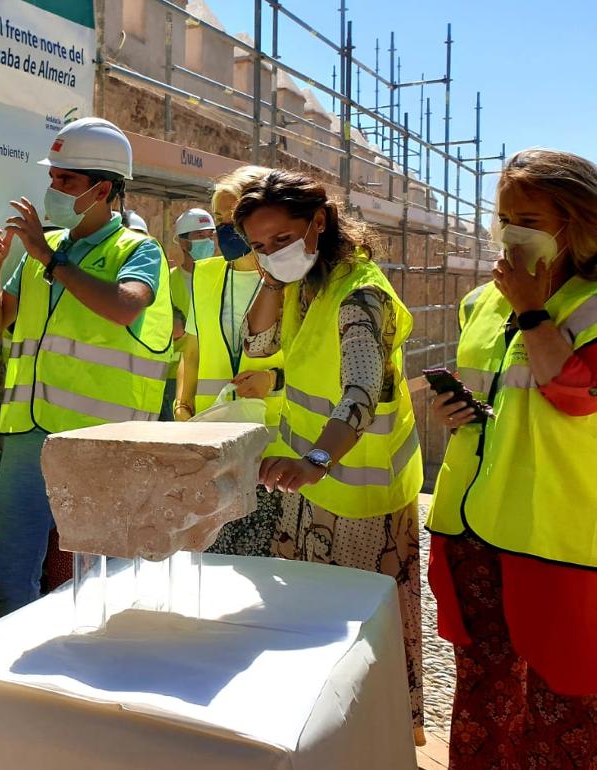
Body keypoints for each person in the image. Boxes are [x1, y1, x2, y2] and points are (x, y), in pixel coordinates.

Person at [236, 169, 425, 741]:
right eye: (259, 246)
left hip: (359, 501)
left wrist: (313, 461)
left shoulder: (359, 295)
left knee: (360, 645)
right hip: (312, 491)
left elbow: (362, 396)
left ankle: (374, 742)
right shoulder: (305, 286)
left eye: (281, 240)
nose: (271, 254)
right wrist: (272, 277)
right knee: (313, 635)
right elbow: (257, 345)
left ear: (318, 223)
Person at [426, 149, 597, 769]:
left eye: (527, 217)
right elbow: (501, 394)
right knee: (485, 688)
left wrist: (532, 308)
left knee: (565, 697)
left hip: (559, 536)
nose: (509, 231)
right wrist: (458, 414)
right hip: (475, 526)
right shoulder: (481, 301)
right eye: (503, 216)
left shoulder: (590, 301)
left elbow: (575, 394)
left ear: (576, 221)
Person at [0, 117, 172, 612]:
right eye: (53, 176)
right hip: (27, 434)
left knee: (98, 575)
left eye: (66, 180)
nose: (52, 188)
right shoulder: (46, 251)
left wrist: (48, 257)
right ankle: (10, 673)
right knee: (14, 567)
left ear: (102, 188)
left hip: (99, 442)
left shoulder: (137, 249)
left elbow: (126, 305)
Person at [187, 168, 286, 557]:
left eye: (233, 218)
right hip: (212, 433)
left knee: (261, 554)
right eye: (219, 219)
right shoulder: (205, 275)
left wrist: (274, 379)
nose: (225, 229)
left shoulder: (289, 280)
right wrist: (183, 404)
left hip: (273, 441)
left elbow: (314, 360)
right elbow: (191, 349)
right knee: (211, 549)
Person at [167, 207, 215, 420]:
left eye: (210, 235)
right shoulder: (167, 281)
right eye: (199, 236)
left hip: (211, 374)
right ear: (183, 242)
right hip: (172, 379)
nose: (207, 241)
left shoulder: (220, 279)